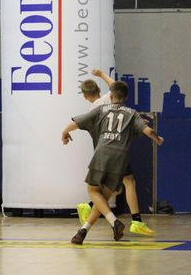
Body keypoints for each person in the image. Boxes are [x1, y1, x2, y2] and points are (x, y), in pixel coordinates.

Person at [62, 81, 164, 245]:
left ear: (110, 94)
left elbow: (76, 123)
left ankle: (114, 222)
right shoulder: (132, 113)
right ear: (126, 97)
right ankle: (82, 232)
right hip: (120, 159)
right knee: (104, 197)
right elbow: (149, 131)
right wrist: (158, 140)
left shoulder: (101, 109)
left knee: (93, 191)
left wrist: (64, 132)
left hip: (102, 154)